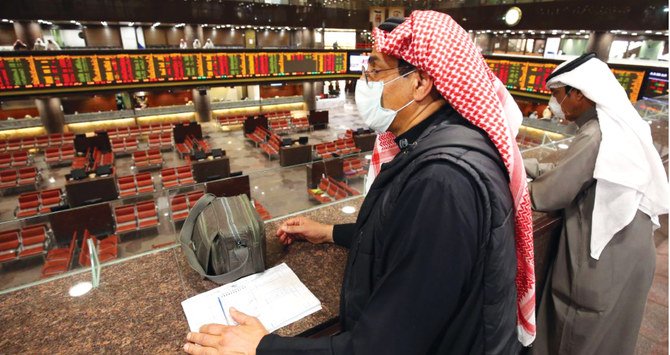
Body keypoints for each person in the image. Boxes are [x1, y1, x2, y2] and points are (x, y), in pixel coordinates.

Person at [183, 11, 536, 354]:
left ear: (421, 82)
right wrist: (329, 232)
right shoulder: (439, 146)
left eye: (375, 70)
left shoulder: (443, 180)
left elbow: (387, 344)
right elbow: (407, 240)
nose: (364, 82)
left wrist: (262, 348)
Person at [526, 53, 669, 355]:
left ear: (578, 92)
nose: (555, 105)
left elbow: (551, 194)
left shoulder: (596, 134)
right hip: (632, 256)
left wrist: (514, 182)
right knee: (612, 336)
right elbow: (574, 171)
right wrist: (527, 162)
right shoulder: (621, 126)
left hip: (599, 265)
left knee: (573, 336)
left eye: (556, 95)